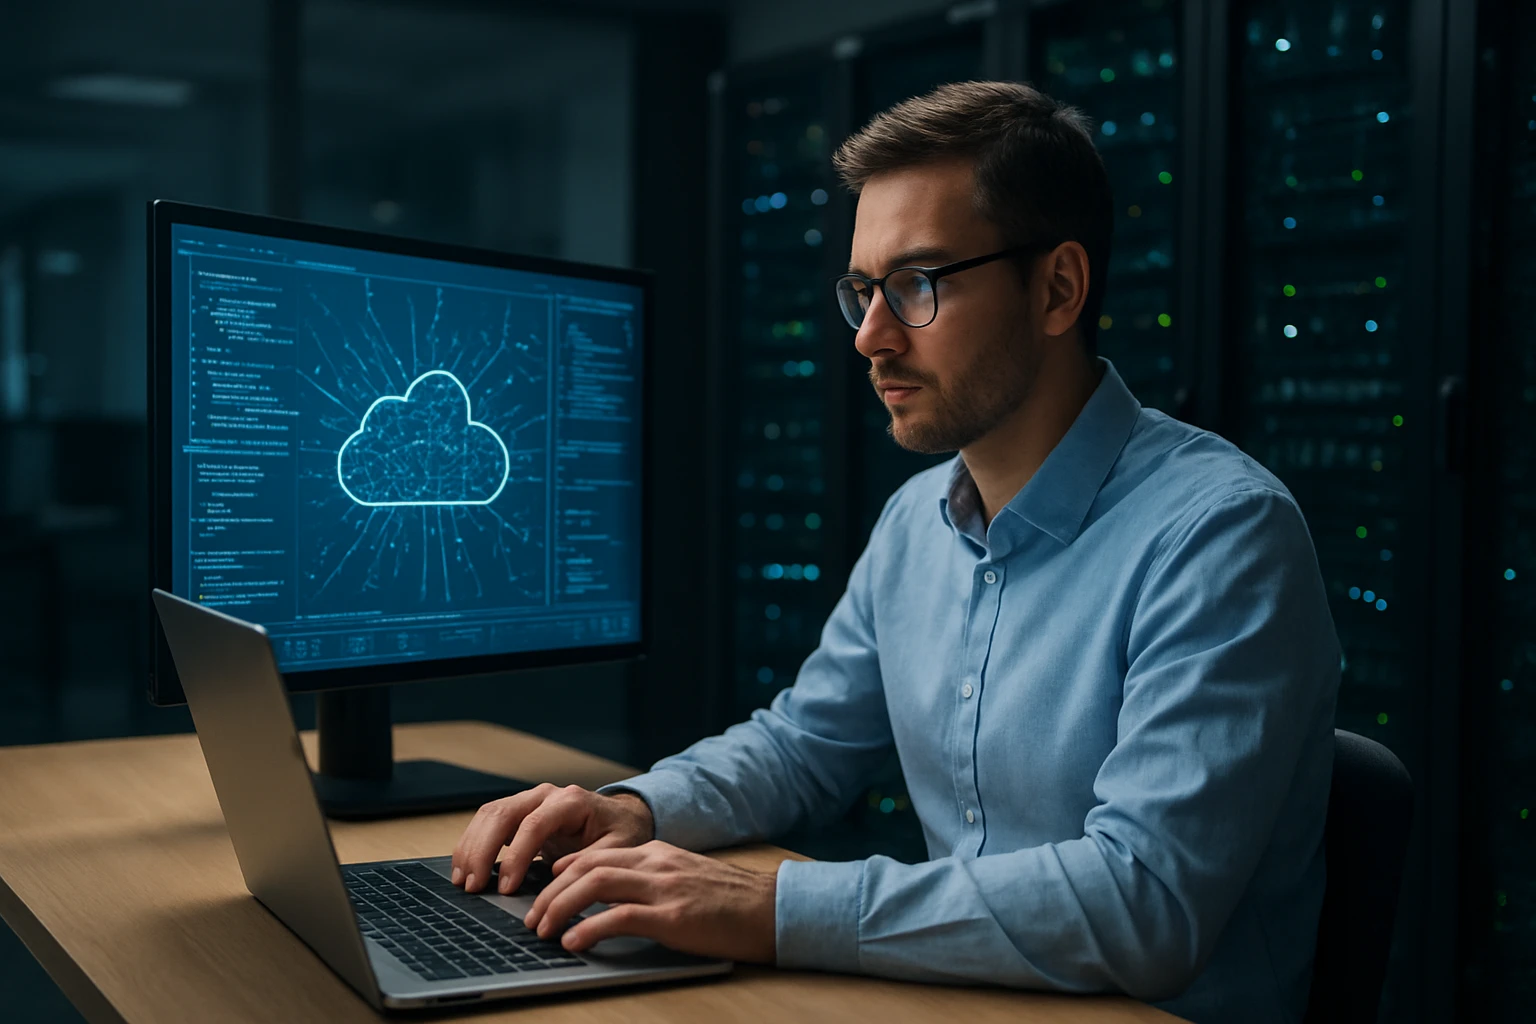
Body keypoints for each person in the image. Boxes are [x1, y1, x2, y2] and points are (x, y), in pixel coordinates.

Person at [451, 80, 1339, 1024]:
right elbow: (804, 747)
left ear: (1059, 288)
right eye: (863, 291)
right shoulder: (918, 518)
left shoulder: (1221, 534)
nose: (871, 338)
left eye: (917, 286)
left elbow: (1143, 905)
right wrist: (637, 809)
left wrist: (769, 905)